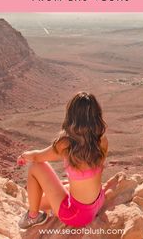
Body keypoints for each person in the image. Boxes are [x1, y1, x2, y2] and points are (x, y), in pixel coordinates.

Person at [17, 91, 108, 229]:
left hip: (76, 215)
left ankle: (33, 217)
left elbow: (37, 157)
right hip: (97, 202)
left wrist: (24, 155)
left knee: (36, 167)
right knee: (40, 201)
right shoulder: (102, 140)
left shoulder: (67, 143)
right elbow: (89, 171)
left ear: (72, 115)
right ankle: (45, 208)